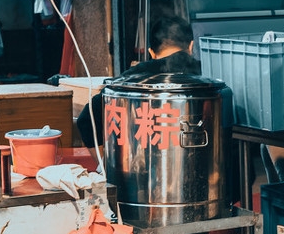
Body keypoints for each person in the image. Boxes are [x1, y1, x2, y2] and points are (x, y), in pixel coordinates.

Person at [76, 14, 201, 147]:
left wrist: (104, 163)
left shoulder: (136, 75)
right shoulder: (205, 71)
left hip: (139, 163)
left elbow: (86, 119)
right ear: (191, 46)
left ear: (151, 52)